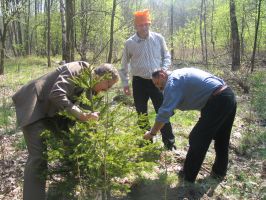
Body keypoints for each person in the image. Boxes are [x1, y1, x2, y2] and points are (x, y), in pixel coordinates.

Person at [12, 61, 119, 200]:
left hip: (52, 112)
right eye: (108, 85)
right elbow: (57, 93)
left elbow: (84, 115)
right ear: (101, 77)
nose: (107, 90)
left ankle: (68, 186)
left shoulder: (89, 87)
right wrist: (81, 114)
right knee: (38, 157)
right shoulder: (79, 69)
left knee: (72, 144)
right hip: (34, 104)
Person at [144, 68, 237, 183]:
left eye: (157, 83)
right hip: (228, 95)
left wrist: (152, 133)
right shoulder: (180, 74)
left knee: (197, 137)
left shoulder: (172, 82)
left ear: (162, 75)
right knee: (222, 138)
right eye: (156, 86)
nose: (158, 88)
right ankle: (219, 172)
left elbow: (164, 113)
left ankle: (187, 177)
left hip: (218, 100)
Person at [120, 9, 175, 150]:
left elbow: (167, 55)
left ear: (149, 24)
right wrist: (125, 83)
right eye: (140, 25)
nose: (144, 27)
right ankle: (146, 143)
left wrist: (163, 69)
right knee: (141, 113)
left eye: (146, 24)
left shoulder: (158, 38)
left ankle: (169, 143)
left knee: (163, 111)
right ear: (136, 26)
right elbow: (124, 64)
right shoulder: (130, 43)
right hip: (138, 82)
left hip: (156, 82)